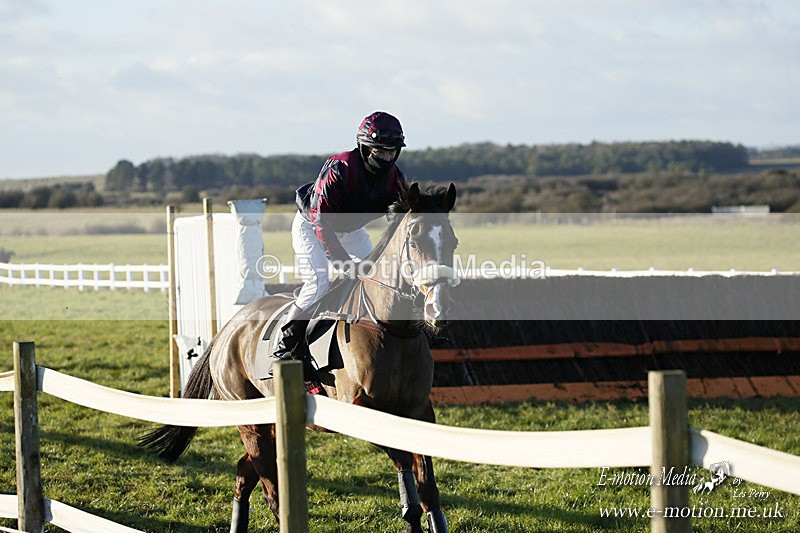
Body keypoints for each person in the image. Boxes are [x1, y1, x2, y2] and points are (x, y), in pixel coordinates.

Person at [269, 111, 408, 369]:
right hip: (313, 226)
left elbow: (400, 221)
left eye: (392, 152)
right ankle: (283, 348)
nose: (387, 158)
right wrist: (344, 262)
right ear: (365, 148)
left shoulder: (395, 178)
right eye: (380, 152)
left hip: (351, 231)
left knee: (379, 276)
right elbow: (321, 223)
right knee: (318, 284)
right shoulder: (340, 168)